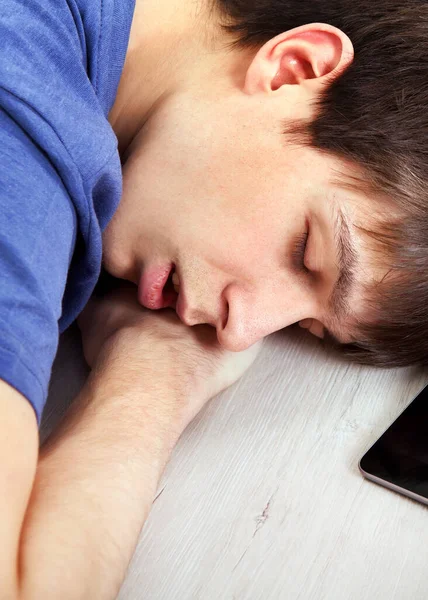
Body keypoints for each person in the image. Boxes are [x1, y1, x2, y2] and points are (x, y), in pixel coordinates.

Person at [1, 0, 428, 596]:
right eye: (306, 252)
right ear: (295, 70)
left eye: (304, 326)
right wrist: (154, 376)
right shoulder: (20, 142)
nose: (238, 332)